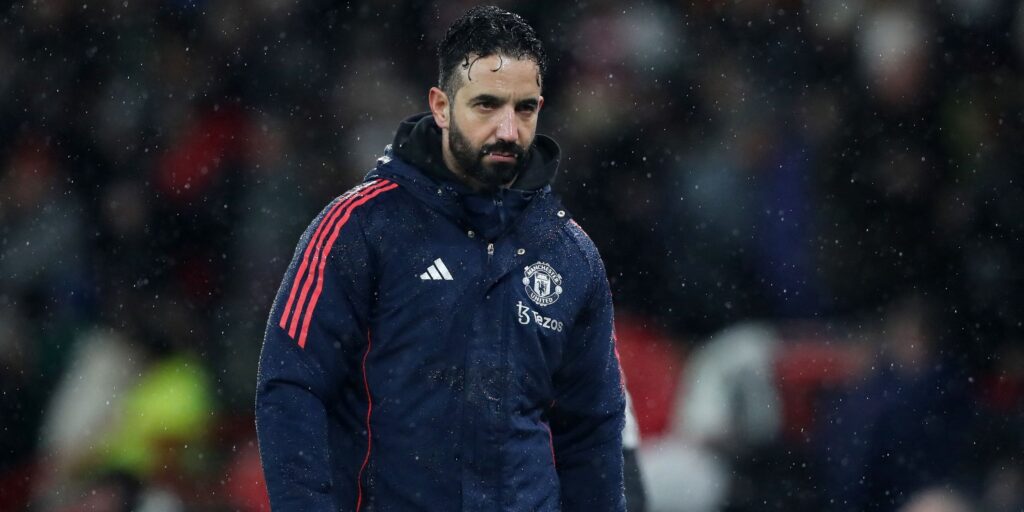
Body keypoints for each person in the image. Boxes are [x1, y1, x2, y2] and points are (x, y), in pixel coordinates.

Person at [256, 6, 630, 511]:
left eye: (524, 109)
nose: (507, 130)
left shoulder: (571, 254)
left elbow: (591, 428)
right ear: (441, 105)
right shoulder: (358, 227)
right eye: (486, 105)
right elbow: (291, 386)